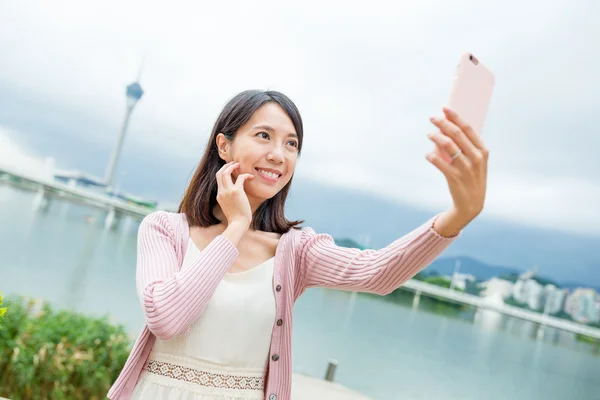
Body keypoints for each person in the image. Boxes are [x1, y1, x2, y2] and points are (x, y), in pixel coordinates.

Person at [107, 89, 488, 400]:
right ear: (224, 146)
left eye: (292, 144)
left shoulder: (295, 251)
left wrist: (460, 213)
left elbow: (377, 273)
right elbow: (167, 319)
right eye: (264, 136)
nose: (279, 154)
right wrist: (237, 226)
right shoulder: (164, 230)